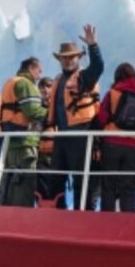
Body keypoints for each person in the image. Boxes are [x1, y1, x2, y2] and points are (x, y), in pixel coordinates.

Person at [46, 25, 104, 209]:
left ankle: (84, 213)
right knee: (55, 178)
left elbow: (98, 67)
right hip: (62, 136)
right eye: (64, 58)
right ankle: (58, 212)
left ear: (78, 58)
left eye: (72, 57)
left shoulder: (84, 78)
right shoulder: (58, 80)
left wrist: (93, 46)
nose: (68, 61)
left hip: (81, 135)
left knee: (81, 178)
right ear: (59, 60)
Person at [97, 62, 135, 212]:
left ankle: (106, 220)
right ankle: (128, 220)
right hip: (134, 147)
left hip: (112, 144)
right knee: (128, 188)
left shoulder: (113, 93)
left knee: (108, 186)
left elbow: (101, 119)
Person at [0, 57, 48, 206]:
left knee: (12, 185)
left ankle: (9, 215)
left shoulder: (10, 82)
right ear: (31, 68)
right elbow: (33, 111)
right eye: (39, 71)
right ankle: (22, 215)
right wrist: (51, 114)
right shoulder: (25, 84)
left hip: (11, 142)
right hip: (24, 142)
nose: (39, 76)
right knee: (24, 187)